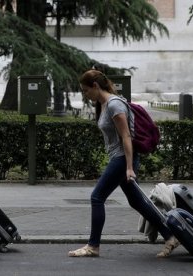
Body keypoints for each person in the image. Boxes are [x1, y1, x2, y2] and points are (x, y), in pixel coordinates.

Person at [68, 70, 179, 258]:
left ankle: (93, 246)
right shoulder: (103, 104)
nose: (85, 95)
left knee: (97, 197)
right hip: (119, 158)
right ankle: (170, 236)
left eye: (86, 91)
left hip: (122, 159)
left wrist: (128, 167)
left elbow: (126, 136)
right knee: (136, 201)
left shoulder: (114, 105)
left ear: (95, 86)